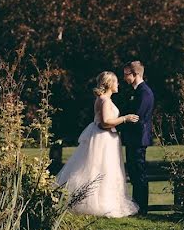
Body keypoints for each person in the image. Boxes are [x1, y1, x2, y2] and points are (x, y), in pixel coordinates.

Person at [55, 71, 139, 217]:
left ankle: (105, 202)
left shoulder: (103, 99)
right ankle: (101, 205)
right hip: (104, 138)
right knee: (102, 168)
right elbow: (105, 122)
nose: (118, 84)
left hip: (105, 138)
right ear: (109, 84)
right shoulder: (105, 100)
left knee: (102, 168)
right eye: (116, 82)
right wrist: (125, 118)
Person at [120, 61, 155, 215]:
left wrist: (117, 124)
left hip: (138, 139)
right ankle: (137, 208)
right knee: (134, 174)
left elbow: (137, 119)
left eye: (126, 74)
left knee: (139, 174)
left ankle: (142, 209)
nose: (124, 78)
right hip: (133, 139)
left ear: (135, 75)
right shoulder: (136, 91)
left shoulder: (144, 93)